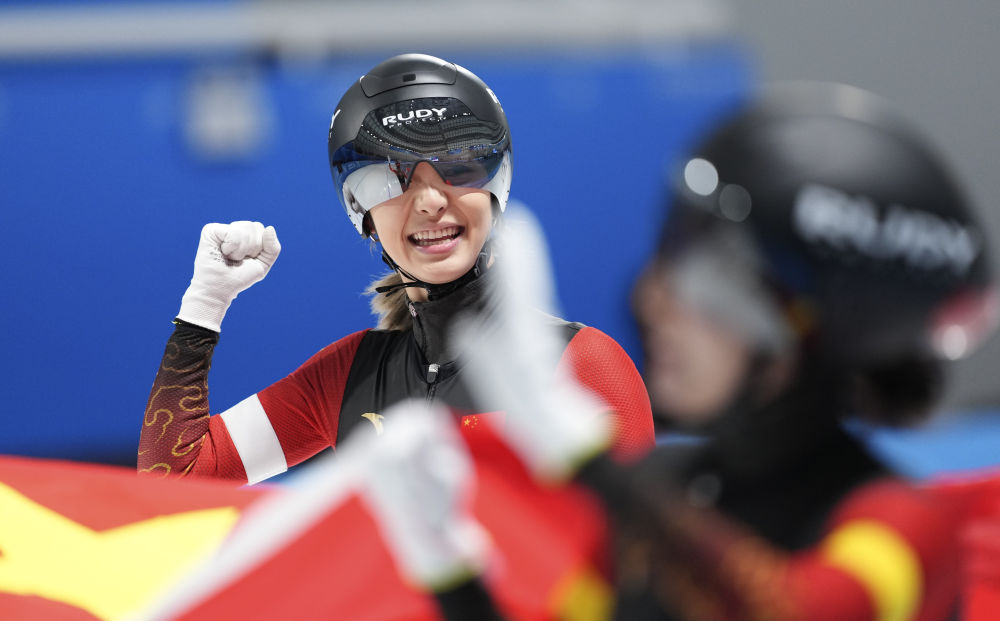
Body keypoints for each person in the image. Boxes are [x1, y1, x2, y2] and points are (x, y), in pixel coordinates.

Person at [369, 80, 998, 621]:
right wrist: (447, 565)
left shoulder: (905, 526)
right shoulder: (665, 488)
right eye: (668, 255)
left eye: (706, 279)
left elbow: (801, 610)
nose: (654, 301)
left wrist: (585, 455)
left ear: (799, 328)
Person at [136, 53, 655, 484]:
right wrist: (204, 306)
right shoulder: (346, 377)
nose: (429, 201)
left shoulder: (585, 365)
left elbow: (651, 559)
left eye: (458, 166)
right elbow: (175, 481)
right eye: (393, 177)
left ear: (496, 190)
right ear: (360, 212)